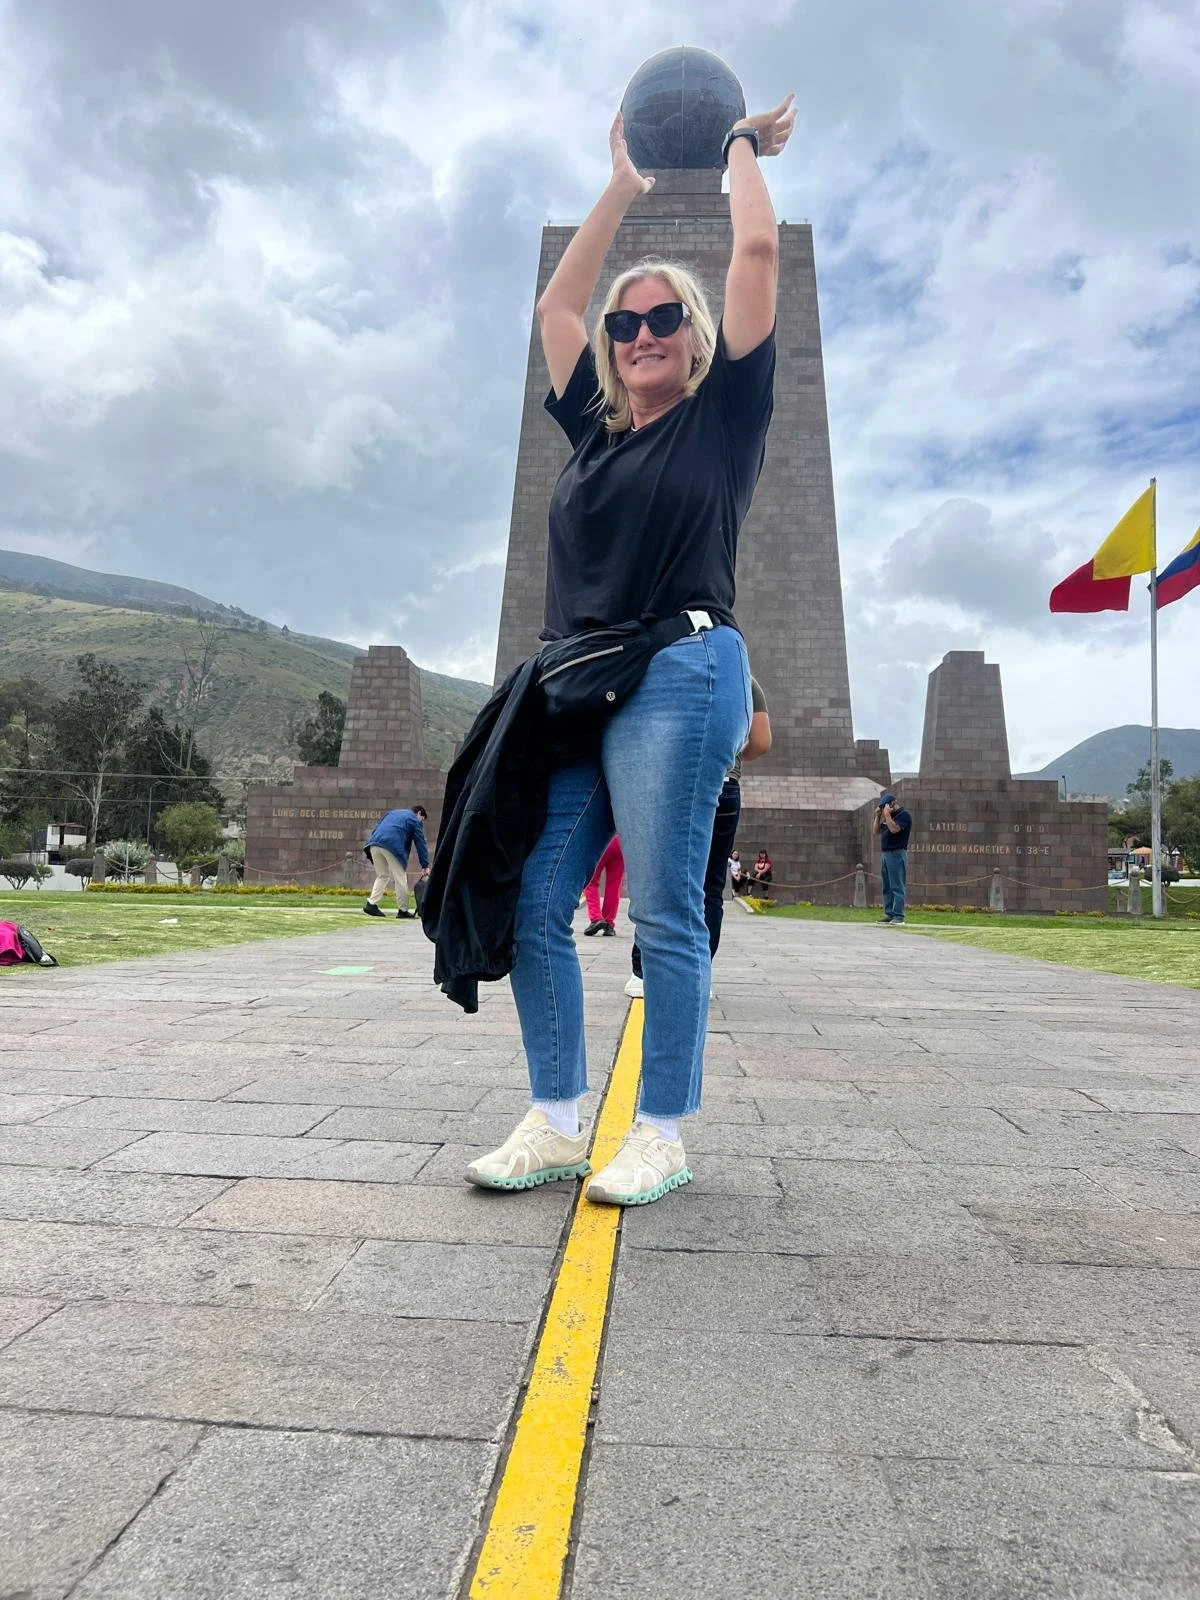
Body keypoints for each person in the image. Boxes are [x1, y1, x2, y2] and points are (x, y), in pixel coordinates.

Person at [465, 92, 795, 1205]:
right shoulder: (593, 436)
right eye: (627, 325)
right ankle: (558, 1118)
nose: (641, 335)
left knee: (662, 910)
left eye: (664, 321)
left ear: (698, 343)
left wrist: (741, 144)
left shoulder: (725, 416)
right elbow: (555, 302)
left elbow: (754, 245)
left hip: (683, 675)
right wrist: (619, 190)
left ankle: (659, 1130)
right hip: (577, 689)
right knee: (531, 900)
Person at [626, 677, 771, 995]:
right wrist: (732, 755)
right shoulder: (744, 678)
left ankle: (643, 972)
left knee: (659, 878)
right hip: (724, 784)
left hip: (671, 781)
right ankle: (697, 973)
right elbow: (761, 742)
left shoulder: (669, 662)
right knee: (709, 887)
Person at [362, 805, 430, 918]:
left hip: (374, 844)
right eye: (422, 819)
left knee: (382, 875)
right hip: (392, 846)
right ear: (419, 814)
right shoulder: (414, 820)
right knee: (400, 878)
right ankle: (403, 910)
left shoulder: (392, 813)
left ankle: (371, 904)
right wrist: (425, 865)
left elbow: (377, 827)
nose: (421, 822)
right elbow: (420, 843)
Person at [874, 791, 913, 924]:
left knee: (897, 886)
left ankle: (898, 916)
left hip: (897, 854)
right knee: (887, 886)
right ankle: (889, 914)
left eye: (885, 806)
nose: (884, 809)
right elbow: (876, 831)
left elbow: (894, 829)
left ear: (893, 804)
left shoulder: (904, 815)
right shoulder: (887, 817)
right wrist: (878, 817)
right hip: (885, 854)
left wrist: (887, 815)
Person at [583, 835, 624, 936]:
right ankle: (609, 924)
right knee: (614, 885)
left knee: (591, 881)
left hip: (601, 841)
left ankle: (596, 918)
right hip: (621, 843)